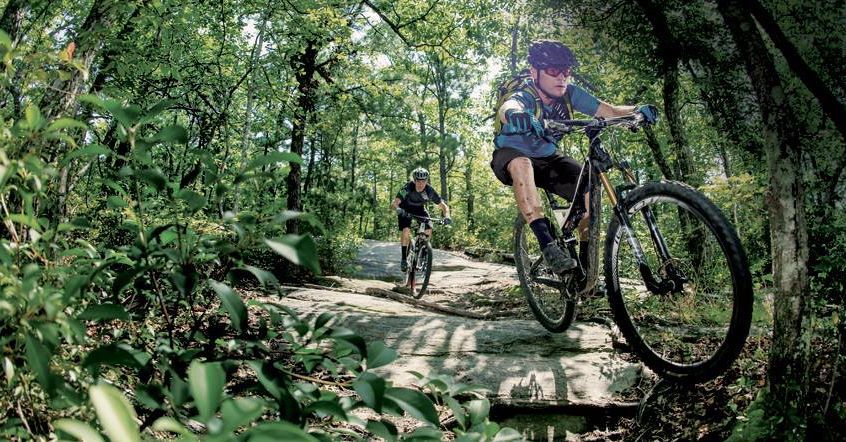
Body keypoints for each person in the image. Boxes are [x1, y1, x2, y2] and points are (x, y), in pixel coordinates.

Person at [492, 39, 658, 274]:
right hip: (510, 155)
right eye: (553, 70)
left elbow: (609, 111)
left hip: (548, 157)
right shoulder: (525, 94)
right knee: (522, 163)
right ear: (534, 72)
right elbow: (509, 106)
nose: (561, 77)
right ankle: (547, 244)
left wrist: (637, 111)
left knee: (589, 186)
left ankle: (584, 266)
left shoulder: (570, 94)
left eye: (566, 71)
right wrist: (516, 115)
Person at [390, 167, 452, 272]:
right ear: (414, 180)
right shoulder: (407, 188)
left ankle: (423, 251)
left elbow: (444, 206)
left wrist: (447, 216)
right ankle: (404, 259)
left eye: (423, 181)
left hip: (419, 209)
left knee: (429, 228)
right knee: (406, 230)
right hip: (405, 209)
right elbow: (394, 203)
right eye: (418, 181)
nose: (421, 184)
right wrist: (398, 209)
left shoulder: (429, 190)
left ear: (427, 181)